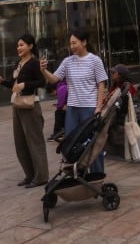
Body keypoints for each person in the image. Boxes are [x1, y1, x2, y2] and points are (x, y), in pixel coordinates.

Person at [40, 29, 108, 175]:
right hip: (72, 109)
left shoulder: (95, 60)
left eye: (75, 43)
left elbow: (101, 84)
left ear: (84, 42)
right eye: (70, 43)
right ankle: (77, 174)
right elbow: (54, 79)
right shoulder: (67, 62)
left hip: (89, 108)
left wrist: (98, 107)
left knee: (92, 143)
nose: (72, 46)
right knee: (71, 142)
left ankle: (97, 175)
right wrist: (44, 70)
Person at [0, 34, 48, 187]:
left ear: (30, 46)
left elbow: (42, 82)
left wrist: (24, 85)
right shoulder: (19, 63)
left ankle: (41, 177)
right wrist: (3, 81)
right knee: (20, 143)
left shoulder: (34, 63)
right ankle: (30, 175)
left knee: (35, 143)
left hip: (30, 106)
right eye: (18, 45)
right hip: (17, 105)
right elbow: (13, 84)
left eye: (22, 45)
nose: (18, 48)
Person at [105, 64, 138, 150]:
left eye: (113, 72)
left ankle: (110, 146)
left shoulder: (127, 86)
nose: (111, 74)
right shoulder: (116, 85)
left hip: (122, 113)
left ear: (120, 75)